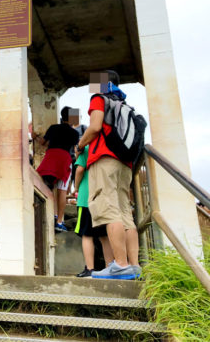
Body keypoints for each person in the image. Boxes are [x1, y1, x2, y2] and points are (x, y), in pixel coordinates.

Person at [76, 70, 140, 280]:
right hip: (124, 163)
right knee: (124, 213)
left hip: (104, 159)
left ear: (103, 83)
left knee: (109, 210)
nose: (92, 86)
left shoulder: (99, 98)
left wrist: (80, 144)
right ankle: (133, 265)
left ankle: (120, 265)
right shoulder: (125, 105)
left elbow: (95, 127)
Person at [32, 106, 80, 232]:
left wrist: (35, 136)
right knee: (62, 190)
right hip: (64, 159)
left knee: (49, 187)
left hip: (51, 156)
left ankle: (52, 214)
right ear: (71, 118)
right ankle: (59, 222)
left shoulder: (53, 128)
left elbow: (43, 143)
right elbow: (75, 148)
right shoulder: (75, 133)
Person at [73, 144, 113, 277]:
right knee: (104, 235)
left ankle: (90, 269)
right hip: (103, 197)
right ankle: (110, 267)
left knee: (87, 234)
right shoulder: (107, 147)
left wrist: (76, 188)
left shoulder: (85, 148)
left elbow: (80, 170)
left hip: (86, 198)